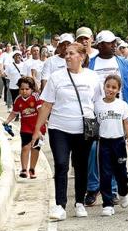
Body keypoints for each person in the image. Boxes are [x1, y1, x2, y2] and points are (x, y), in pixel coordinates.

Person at [34, 42, 103, 221]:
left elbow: (97, 103)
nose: (67, 57)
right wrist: (37, 129)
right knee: (62, 164)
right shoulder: (56, 77)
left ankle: (79, 202)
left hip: (83, 130)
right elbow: (47, 104)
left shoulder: (93, 77)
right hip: (59, 128)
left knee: (80, 166)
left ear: (82, 57)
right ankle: (60, 205)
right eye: (66, 54)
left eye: (71, 54)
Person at [84, 30, 128, 207]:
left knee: (113, 155)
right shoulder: (91, 64)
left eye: (114, 43)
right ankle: (93, 187)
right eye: (109, 43)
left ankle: (111, 191)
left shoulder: (125, 64)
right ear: (100, 45)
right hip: (95, 115)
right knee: (94, 152)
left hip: (118, 115)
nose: (113, 46)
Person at [95, 74, 128, 216]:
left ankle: (123, 192)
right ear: (104, 86)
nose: (110, 90)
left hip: (118, 142)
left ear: (118, 90)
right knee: (105, 174)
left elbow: (126, 124)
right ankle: (107, 203)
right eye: (108, 86)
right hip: (104, 142)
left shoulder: (122, 105)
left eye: (114, 87)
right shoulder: (97, 104)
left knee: (121, 173)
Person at [2, 76, 41, 177]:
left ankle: (32, 169)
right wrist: (7, 121)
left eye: (27, 89)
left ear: (32, 89)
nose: (24, 91)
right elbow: (14, 112)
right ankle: (24, 169)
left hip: (38, 128)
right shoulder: (18, 100)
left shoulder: (36, 97)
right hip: (25, 127)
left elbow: (42, 112)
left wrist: (41, 127)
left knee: (35, 148)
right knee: (25, 147)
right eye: (22, 89)